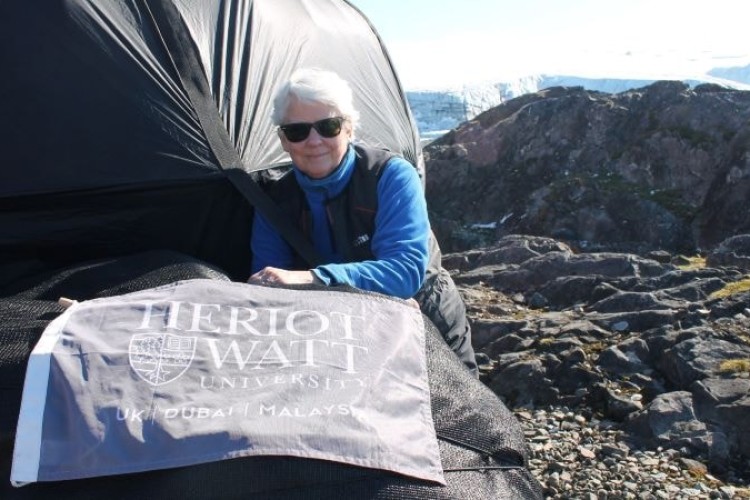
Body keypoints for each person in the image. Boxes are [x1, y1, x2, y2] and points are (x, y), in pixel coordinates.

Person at [249, 68, 477, 377]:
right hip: (334, 335)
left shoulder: (390, 176)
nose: (314, 141)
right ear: (283, 140)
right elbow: (269, 290)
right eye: (297, 131)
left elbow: (403, 273)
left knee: (450, 420)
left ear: (350, 129)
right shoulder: (274, 201)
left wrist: (310, 278)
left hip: (426, 322)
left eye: (328, 126)